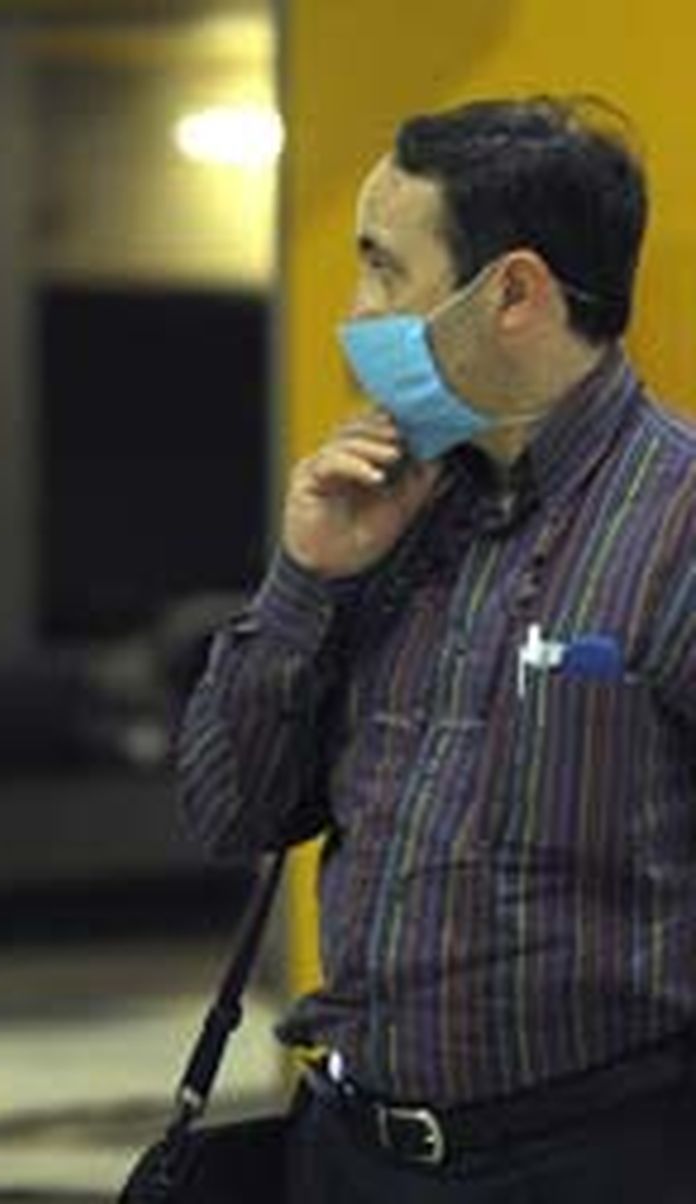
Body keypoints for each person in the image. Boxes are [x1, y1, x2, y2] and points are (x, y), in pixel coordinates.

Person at [179, 95, 696, 1200]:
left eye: (382, 269)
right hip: (345, 1149)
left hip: (596, 1158)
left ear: (511, 291)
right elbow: (231, 808)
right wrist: (303, 581)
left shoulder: (677, 523)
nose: (356, 310)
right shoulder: (392, 514)